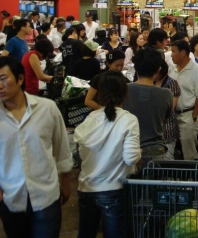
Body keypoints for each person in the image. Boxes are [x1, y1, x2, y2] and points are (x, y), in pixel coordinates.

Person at [0, 56, 72, 238]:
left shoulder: (47, 108)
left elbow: (62, 148)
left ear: (20, 79)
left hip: (46, 195)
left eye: (3, 79)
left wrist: (65, 182)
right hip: (10, 197)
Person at [74, 71, 140, 238]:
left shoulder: (90, 118)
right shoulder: (129, 119)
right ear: (125, 92)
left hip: (86, 188)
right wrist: (140, 152)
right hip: (113, 190)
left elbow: (82, 153)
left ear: (100, 93)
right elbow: (131, 157)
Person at [123, 48, 172, 159]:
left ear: (135, 68)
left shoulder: (122, 90)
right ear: (158, 70)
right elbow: (164, 120)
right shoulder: (166, 94)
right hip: (156, 150)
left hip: (127, 149)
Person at [170, 39, 198, 160]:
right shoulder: (173, 69)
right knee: (171, 149)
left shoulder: (197, 71)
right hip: (173, 115)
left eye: (174, 51)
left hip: (188, 114)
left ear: (183, 53)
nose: (171, 55)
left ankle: (192, 176)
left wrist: (194, 115)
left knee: (189, 150)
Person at [155, 60, 181, 160]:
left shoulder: (172, 83)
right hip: (155, 130)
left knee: (167, 159)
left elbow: (171, 108)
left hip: (168, 128)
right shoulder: (151, 82)